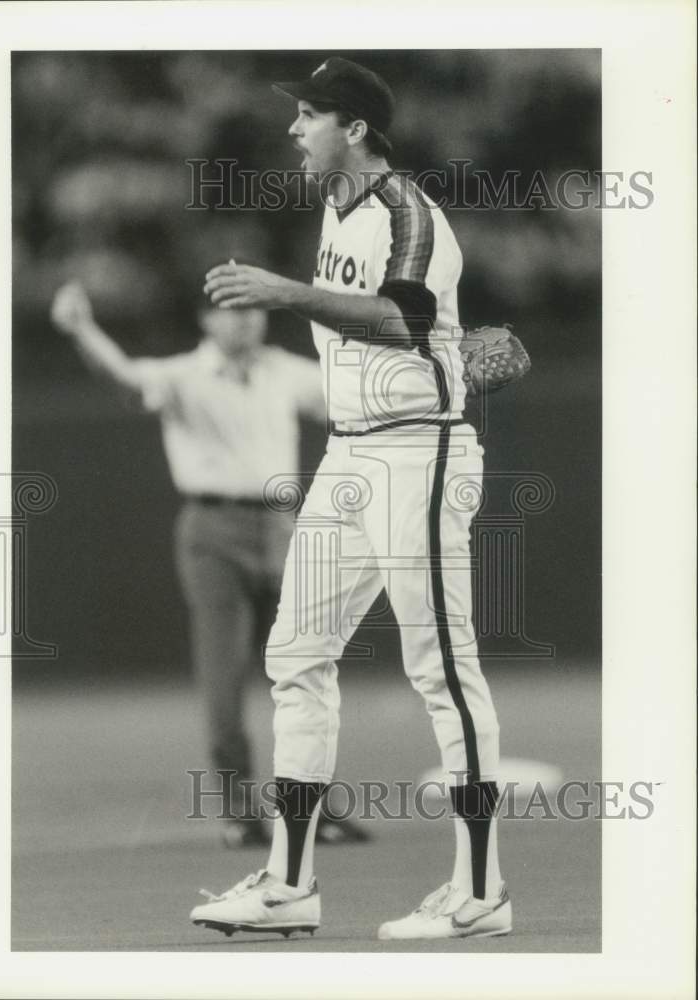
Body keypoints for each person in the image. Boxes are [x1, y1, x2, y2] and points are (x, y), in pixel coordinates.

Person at [190, 57, 511, 940]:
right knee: (295, 653)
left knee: (441, 669)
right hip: (350, 454)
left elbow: (404, 316)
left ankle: (482, 891)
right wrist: (450, 342)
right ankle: (289, 885)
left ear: (355, 128)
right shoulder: (337, 202)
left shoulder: (409, 209)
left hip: (420, 454)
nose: (294, 130)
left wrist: (287, 291)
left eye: (308, 115)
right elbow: (418, 323)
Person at [50, 281, 370, 848]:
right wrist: (81, 329)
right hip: (213, 529)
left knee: (307, 667)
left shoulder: (284, 371)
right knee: (224, 675)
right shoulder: (184, 376)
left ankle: (312, 803)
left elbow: (354, 402)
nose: (245, 320)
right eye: (231, 310)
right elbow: (123, 375)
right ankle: (242, 811)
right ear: (205, 319)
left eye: (253, 309)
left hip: (281, 526)